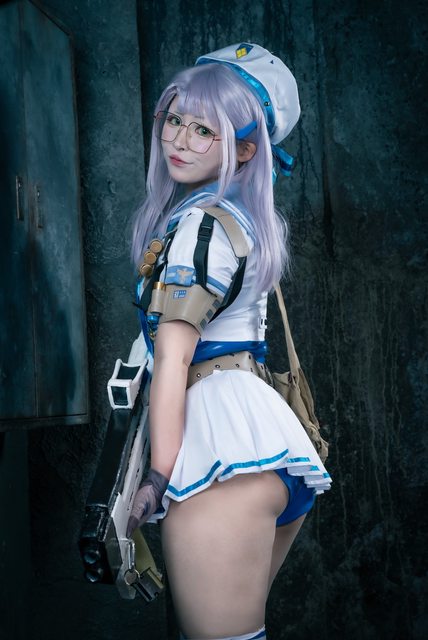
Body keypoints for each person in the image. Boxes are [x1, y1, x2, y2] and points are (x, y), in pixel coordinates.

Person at [127, 43, 332, 640]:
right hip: (255, 445)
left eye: (204, 130)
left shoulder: (203, 225)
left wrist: (154, 479)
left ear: (245, 148)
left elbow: (173, 359)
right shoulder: (235, 217)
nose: (179, 140)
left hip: (219, 457)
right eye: (175, 120)